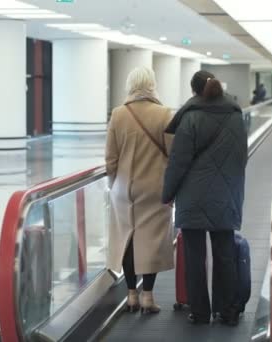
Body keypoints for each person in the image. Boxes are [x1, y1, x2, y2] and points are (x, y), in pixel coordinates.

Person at [162, 70, 248, 326]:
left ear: (194, 91)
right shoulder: (235, 116)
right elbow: (241, 157)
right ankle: (228, 311)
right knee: (225, 254)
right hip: (226, 194)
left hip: (193, 195)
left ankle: (200, 312)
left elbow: (178, 162)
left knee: (194, 256)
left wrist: (168, 194)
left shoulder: (191, 118)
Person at [105, 66, 174, 315]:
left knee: (128, 239)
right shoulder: (165, 114)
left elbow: (110, 158)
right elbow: (173, 155)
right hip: (155, 188)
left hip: (123, 189)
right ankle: (148, 297)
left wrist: (115, 183)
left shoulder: (118, 114)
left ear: (130, 84)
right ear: (152, 84)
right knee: (151, 240)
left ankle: (131, 294)